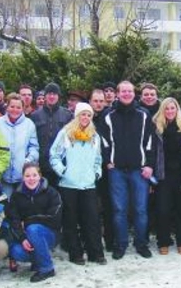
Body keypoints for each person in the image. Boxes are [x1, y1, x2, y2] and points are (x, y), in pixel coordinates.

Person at [101, 81, 156, 260]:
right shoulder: (109, 115)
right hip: (117, 171)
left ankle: (141, 244)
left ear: (135, 94)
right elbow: (104, 141)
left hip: (139, 170)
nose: (126, 94)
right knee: (119, 210)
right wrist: (107, 161)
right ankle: (121, 244)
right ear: (117, 94)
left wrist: (149, 164)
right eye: (123, 91)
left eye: (130, 91)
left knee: (140, 209)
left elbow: (150, 141)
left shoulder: (144, 114)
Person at [50, 103, 106, 265]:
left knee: (92, 220)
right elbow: (54, 155)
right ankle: (76, 254)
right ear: (76, 116)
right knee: (71, 220)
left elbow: (98, 158)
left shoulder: (94, 136)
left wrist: (96, 173)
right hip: (69, 184)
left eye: (88, 115)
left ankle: (96, 253)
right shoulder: (66, 134)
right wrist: (63, 171)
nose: (85, 118)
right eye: (82, 114)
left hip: (88, 184)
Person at [6, 162, 63, 283]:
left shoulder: (51, 192)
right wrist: (22, 238)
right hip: (27, 236)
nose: (31, 179)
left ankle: (47, 268)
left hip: (49, 234)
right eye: (27, 176)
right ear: (23, 177)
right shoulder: (16, 196)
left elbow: (54, 217)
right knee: (15, 251)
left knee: (34, 228)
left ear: (40, 176)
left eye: (34, 175)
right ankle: (38, 260)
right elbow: (14, 220)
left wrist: (28, 222)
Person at [152, 98, 181, 255]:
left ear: (177, 109)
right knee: (163, 210)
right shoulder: (157, 127)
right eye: (167, 108)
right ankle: (163, 241)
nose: (170, 111)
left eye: (172, 108)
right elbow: (153, 152)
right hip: (163, 175)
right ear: (163, 110)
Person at [0, 94, 39, 197]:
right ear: (7, 107)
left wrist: (28, 161)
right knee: (4, 206)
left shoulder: (29, 124)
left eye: (18, 107)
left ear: (23, 108)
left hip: (22, 175)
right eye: (12, 106)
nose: (15, 110)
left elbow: (34, 147)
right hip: (3, 175)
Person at [30, 82, 73, 188]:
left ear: (59, 96)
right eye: (49, 93)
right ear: (45, 96)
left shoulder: (67, 115)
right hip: (41, 163)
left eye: (55, 94)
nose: (52, 96)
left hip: (61, 163)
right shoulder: (35, 115)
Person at [90, 88, 115, 251]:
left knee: (108, 205)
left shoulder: (110, 117)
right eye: (95, 101)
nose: (98, 104)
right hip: (88, 169)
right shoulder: (84, 117)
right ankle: (93, 240)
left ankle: (110, 240)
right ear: (90, 102)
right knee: (91, 207)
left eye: (101, 101)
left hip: (106, 168)